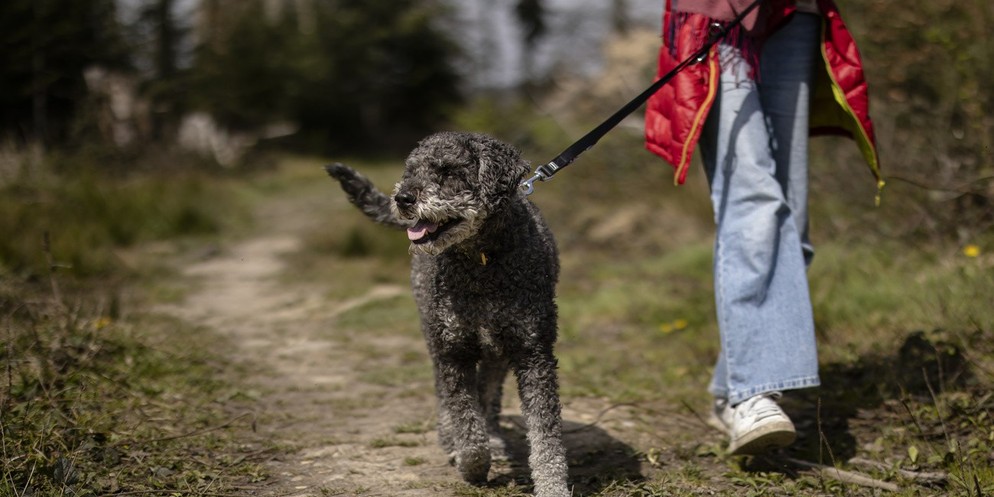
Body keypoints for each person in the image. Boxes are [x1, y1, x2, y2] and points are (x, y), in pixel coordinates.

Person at [644, 0, 882, 455]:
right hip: (716, 12)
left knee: (791, 224)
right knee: (753, 199)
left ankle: (731, 387)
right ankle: (754, 393)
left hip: (797, 13)